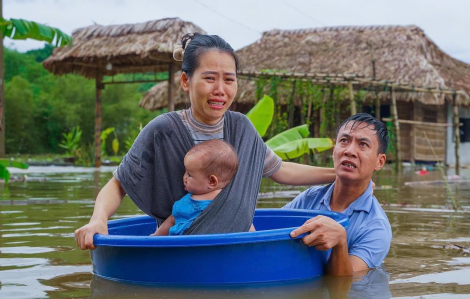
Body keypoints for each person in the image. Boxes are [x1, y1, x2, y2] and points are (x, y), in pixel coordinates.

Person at [75, 32, 336, 250]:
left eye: (229, 80)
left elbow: (281, 170)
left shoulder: (242, 129)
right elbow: (118, 183)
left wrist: (339, 175)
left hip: (239, 250)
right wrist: (98, 219)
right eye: (209, 78)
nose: (220, 89)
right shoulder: (163, 130)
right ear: (186, 81)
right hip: (177, 253)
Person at [286, 113, 392, 276]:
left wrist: (340, 243)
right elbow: (274, 231)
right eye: (344, 141)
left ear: (380, 161)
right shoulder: (309, 198)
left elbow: (344, 282)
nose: (350, 151)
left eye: (363, 144)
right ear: (335, 150)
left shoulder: (376, 227)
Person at [152, 139, 239, 236]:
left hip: (187, 246)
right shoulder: (232, 201)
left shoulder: (225, 202)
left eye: (189, 174)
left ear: (212, 181)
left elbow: (172, 220)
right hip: (193, 246)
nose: (184, 177)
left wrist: (156, 236)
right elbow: (244, 222)